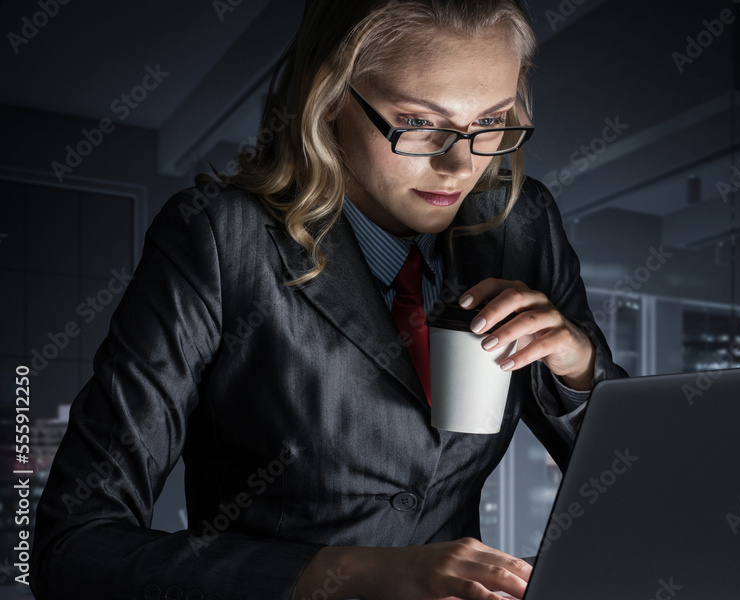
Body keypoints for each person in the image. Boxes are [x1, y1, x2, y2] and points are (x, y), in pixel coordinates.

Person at [30, 1, 627, 598]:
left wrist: (577, 372)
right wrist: (347, 575)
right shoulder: (221, 240)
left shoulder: (521, 225)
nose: (461, 165)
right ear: (330, 99)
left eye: (493, 120)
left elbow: (634, 484)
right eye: (419, 124)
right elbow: (72, 548)